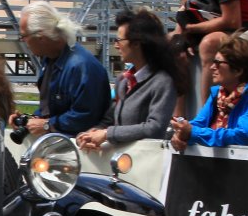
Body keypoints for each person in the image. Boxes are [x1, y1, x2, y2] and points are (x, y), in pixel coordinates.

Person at [78, 9, 184, 149]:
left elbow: (154, 127)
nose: (116, 45)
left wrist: (107, 134)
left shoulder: (163, 82)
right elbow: (110, 120)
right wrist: (92, 133)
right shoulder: (122, 81)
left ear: (136, 43)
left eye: (119, 40)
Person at [170, 36, 248, 150]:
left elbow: (241, 136)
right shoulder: (217, 94)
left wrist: (192, 133)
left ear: (238, 70)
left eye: (218, 63)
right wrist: (180, 135)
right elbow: (197, 124)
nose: (212, 67)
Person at [18, 1, 109, 136]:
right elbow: (50, 110)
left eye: (24, 36)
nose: (23, 42)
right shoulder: (50, 60)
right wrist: (29, 120)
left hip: (80, 145)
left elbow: (85, 118)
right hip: (61, 142)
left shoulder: (81, 66)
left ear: (40, 37)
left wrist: (47, 124)